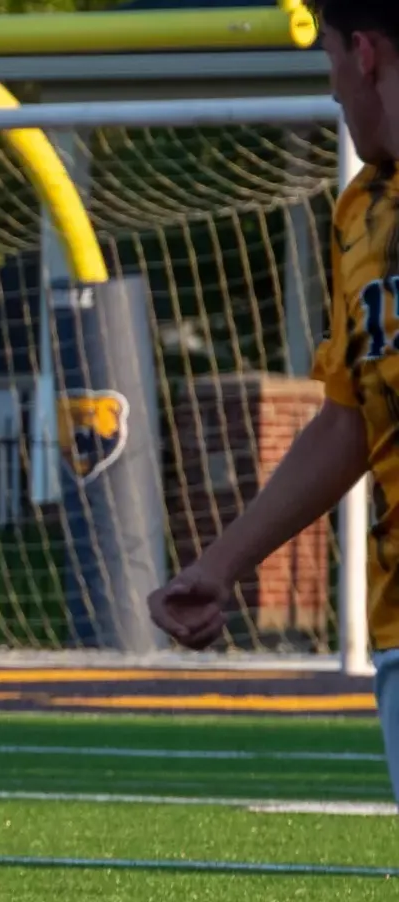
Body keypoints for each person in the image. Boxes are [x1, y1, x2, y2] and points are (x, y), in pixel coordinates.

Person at [150, 0, 399, 784]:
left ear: (362, 53)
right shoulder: (362, 213)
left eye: (327, 58)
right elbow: (348, 421)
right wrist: (222, 564)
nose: (330, 90)